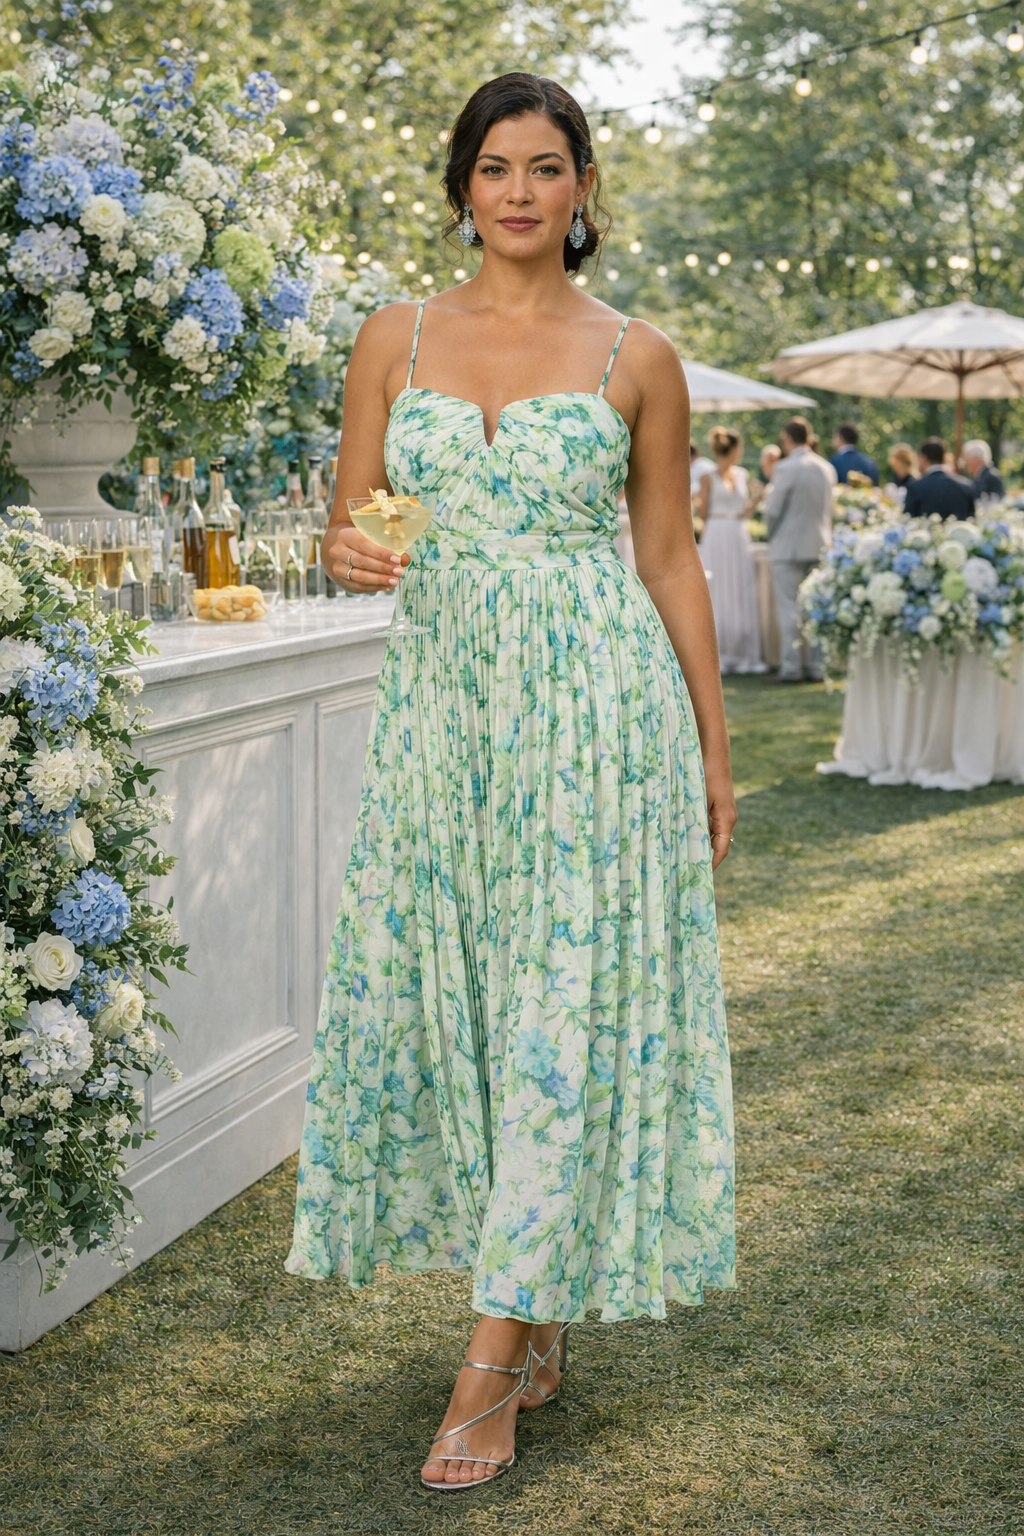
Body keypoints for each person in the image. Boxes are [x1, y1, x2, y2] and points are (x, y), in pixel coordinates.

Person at [285, 73, 737, 1494]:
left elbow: (668, 560)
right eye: (496, 167)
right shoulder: (395, 336)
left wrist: (713, 752)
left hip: (600, 714)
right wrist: (349, 548)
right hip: (444, 713)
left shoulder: (637, 357)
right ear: (462, 188)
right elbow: (365, 521)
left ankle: (487, 1364)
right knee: (477, 1007)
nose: (522, 192)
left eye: (548, 167)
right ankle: (533, 1310)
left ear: (583, 187)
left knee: (559, 1008)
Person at [765, 416, 834, 681]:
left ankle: (792, 668)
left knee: (789, 609)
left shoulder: (785, 468)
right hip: (819, 545)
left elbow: (773, 510)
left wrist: (771, 536)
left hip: (788, 547)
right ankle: (817, 666)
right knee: (816, 608)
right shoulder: (826, 467)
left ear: (787, 437)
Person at [696, 426, 765, 673]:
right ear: (734, 448)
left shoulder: (742, 475)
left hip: (737, 533)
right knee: (719, 587)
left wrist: (757, 499)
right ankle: (720, 652)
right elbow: (703, 513)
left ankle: (743, 650)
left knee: (740, 586)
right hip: (717, 533)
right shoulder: (707, 477)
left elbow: (743, 511)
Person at [904, 438, 976, 520]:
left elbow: (907, 520)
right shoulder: (966, 486)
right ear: (944, 457)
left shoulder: (915, 488)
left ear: (923, 458)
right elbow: (972, 520)